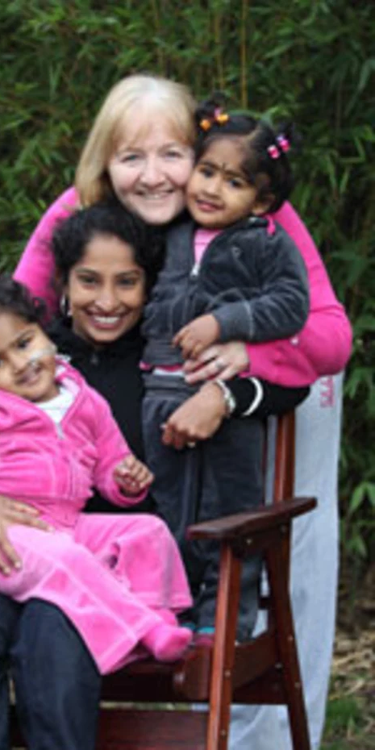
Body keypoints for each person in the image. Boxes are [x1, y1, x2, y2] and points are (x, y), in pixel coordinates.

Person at [0, 74, 351, 750]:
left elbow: (326, 339)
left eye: (172, 153)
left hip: (114, 552)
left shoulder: (238, 219)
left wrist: (232, 376)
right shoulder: (55, 305)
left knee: (53, 637)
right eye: (130, 157)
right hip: (8, 541)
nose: (154, 176)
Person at [0, 268, 194, 673]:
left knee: (147, 531)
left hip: (65, 525)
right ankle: (139, 630)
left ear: (45, 333)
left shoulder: (83, 399)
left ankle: (155, 615)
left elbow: (110, 462)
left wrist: (125, 480)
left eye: (25, 343)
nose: (21, 364)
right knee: (66, 557)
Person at [140, 95, 309, 639]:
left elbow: (291, 304)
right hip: (160, 397)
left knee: (228, 510)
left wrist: (228, 321)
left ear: (262, 201)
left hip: (228, 406)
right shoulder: (169, 237)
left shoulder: (265, 244)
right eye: (207, 172)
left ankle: (224, 623)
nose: (211, 189)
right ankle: (171, 616)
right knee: (166, 512)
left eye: (233, 182)